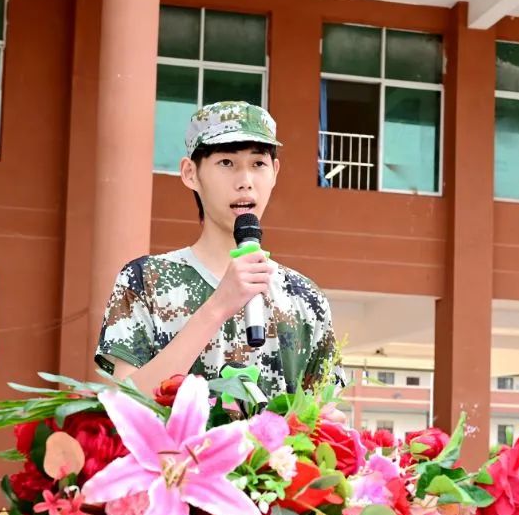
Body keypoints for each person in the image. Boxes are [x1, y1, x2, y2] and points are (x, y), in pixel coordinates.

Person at [95, 101, 341, 397]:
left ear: (275, 172)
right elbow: (122, 402)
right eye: (226, 163)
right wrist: (218, 307)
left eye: (258, 164)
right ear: (190, 173)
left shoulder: (306, 299)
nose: (245, 182)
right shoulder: (144, 281)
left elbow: (323, 414)